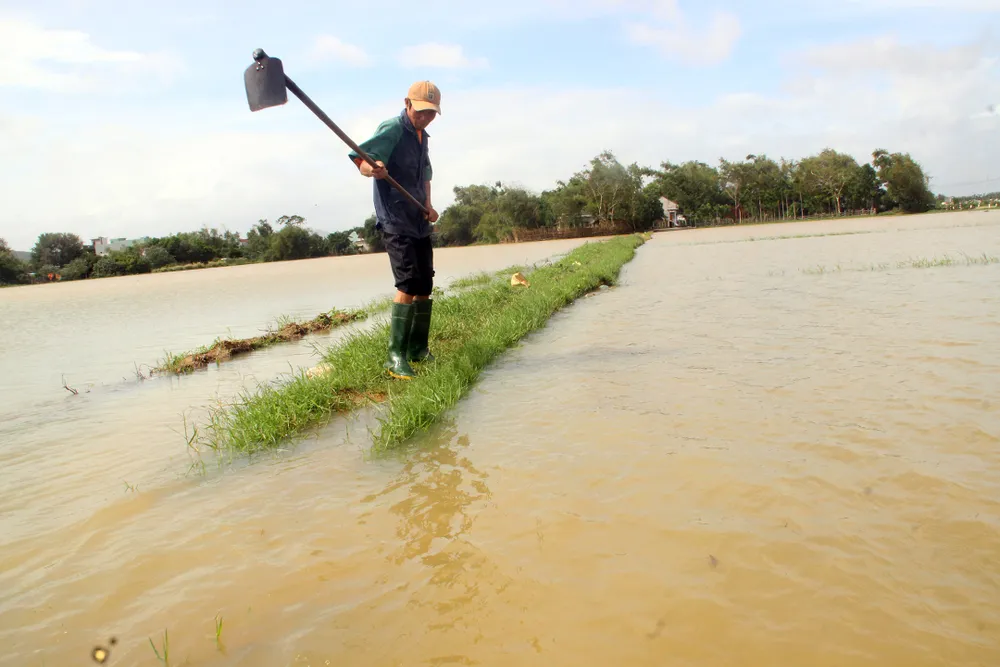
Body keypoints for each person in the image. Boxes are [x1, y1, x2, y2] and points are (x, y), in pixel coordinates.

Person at [348, 80, 441, 380]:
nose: (425, 117)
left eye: (432, 113)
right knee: (408, 283)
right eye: (422, 111)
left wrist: (428, 205)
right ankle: (394, 356)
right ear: (407, 103)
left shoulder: (421, 137)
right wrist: (373, 168)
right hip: (395, 219)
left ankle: (418, 348)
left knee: (425, 284)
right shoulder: (392, 129)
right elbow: (361, 159)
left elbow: (425, 173)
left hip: (418, 219)